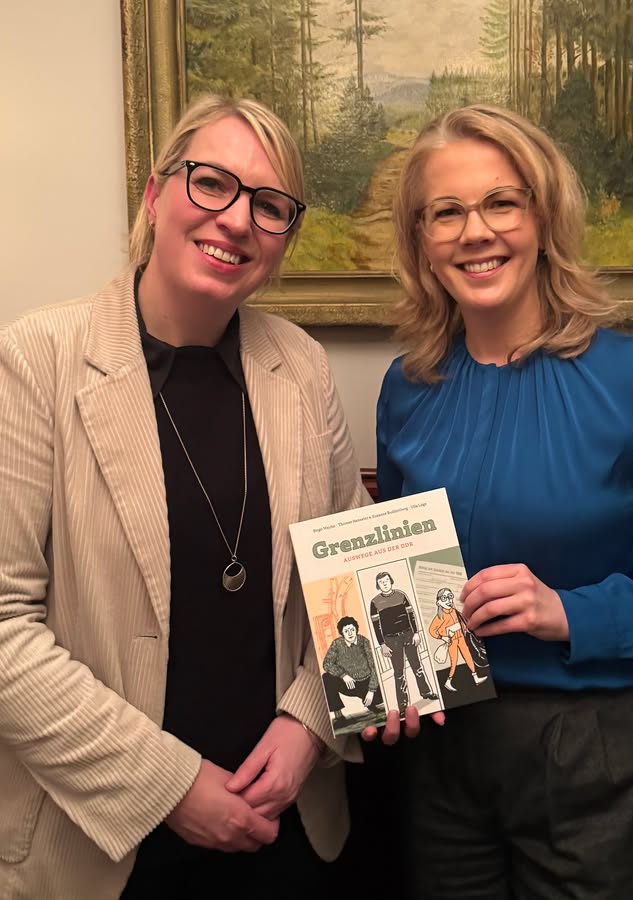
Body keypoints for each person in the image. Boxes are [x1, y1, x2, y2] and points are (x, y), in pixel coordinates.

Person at [0, 93, 369, 899]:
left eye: (270, 205)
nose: (237, 220)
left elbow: (356, 587)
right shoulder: (36, 358)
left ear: (284, 237)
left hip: (284, 823)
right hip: (100, 846)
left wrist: (310, 723)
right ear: (155, 194)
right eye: (212, 183)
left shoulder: (303, 368)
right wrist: (170, 786)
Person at [371, 104, 633, 899]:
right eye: (446, 212)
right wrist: (391, 682)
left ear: (544, 216)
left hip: (588, 748)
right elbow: (395, 565)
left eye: (502, 202)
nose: (475, 232)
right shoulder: (407, 387)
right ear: (421, 239)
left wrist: (570, 613)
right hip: (440, 756)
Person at [369, 571, 439, 715]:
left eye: (386, 580)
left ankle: (426, 692)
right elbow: (376, 626)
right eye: (381, 582)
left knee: (417, 666)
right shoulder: (374, 602)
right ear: (377, 585)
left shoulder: (401, 595)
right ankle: (403, 706)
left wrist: (416, 633)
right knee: (399, 673)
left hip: (408, 635)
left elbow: (411, 615)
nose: (384, 583)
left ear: (391, 581)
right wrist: (382, 644)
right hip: (391, 640)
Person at [322, 616, 384, 729]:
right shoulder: (337, 644)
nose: (350, 633)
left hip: (367, 683)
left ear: (356, 629)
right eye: (346, 631)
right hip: (349, 684)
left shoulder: (364, 642)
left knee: (380, 702)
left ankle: (373, 705)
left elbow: (374, 666)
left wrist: (371, 690)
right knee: (326, 678)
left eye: (352, 629)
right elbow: (327, 663)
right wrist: (343, 675)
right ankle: (339, 716)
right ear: (342, 633)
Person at [428, 587, 487, 692]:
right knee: (454, 661)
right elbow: (432, 631)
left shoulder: (455, 611)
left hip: (461, 638)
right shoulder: (439, 617)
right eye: (444, 598)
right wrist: (443, 637)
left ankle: (475, 677)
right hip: (452, 641)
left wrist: (465, 627)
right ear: (439, 602)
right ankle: (448, 681)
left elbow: (462, 622)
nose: (448, 600)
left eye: (450, 596)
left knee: (468, 657)